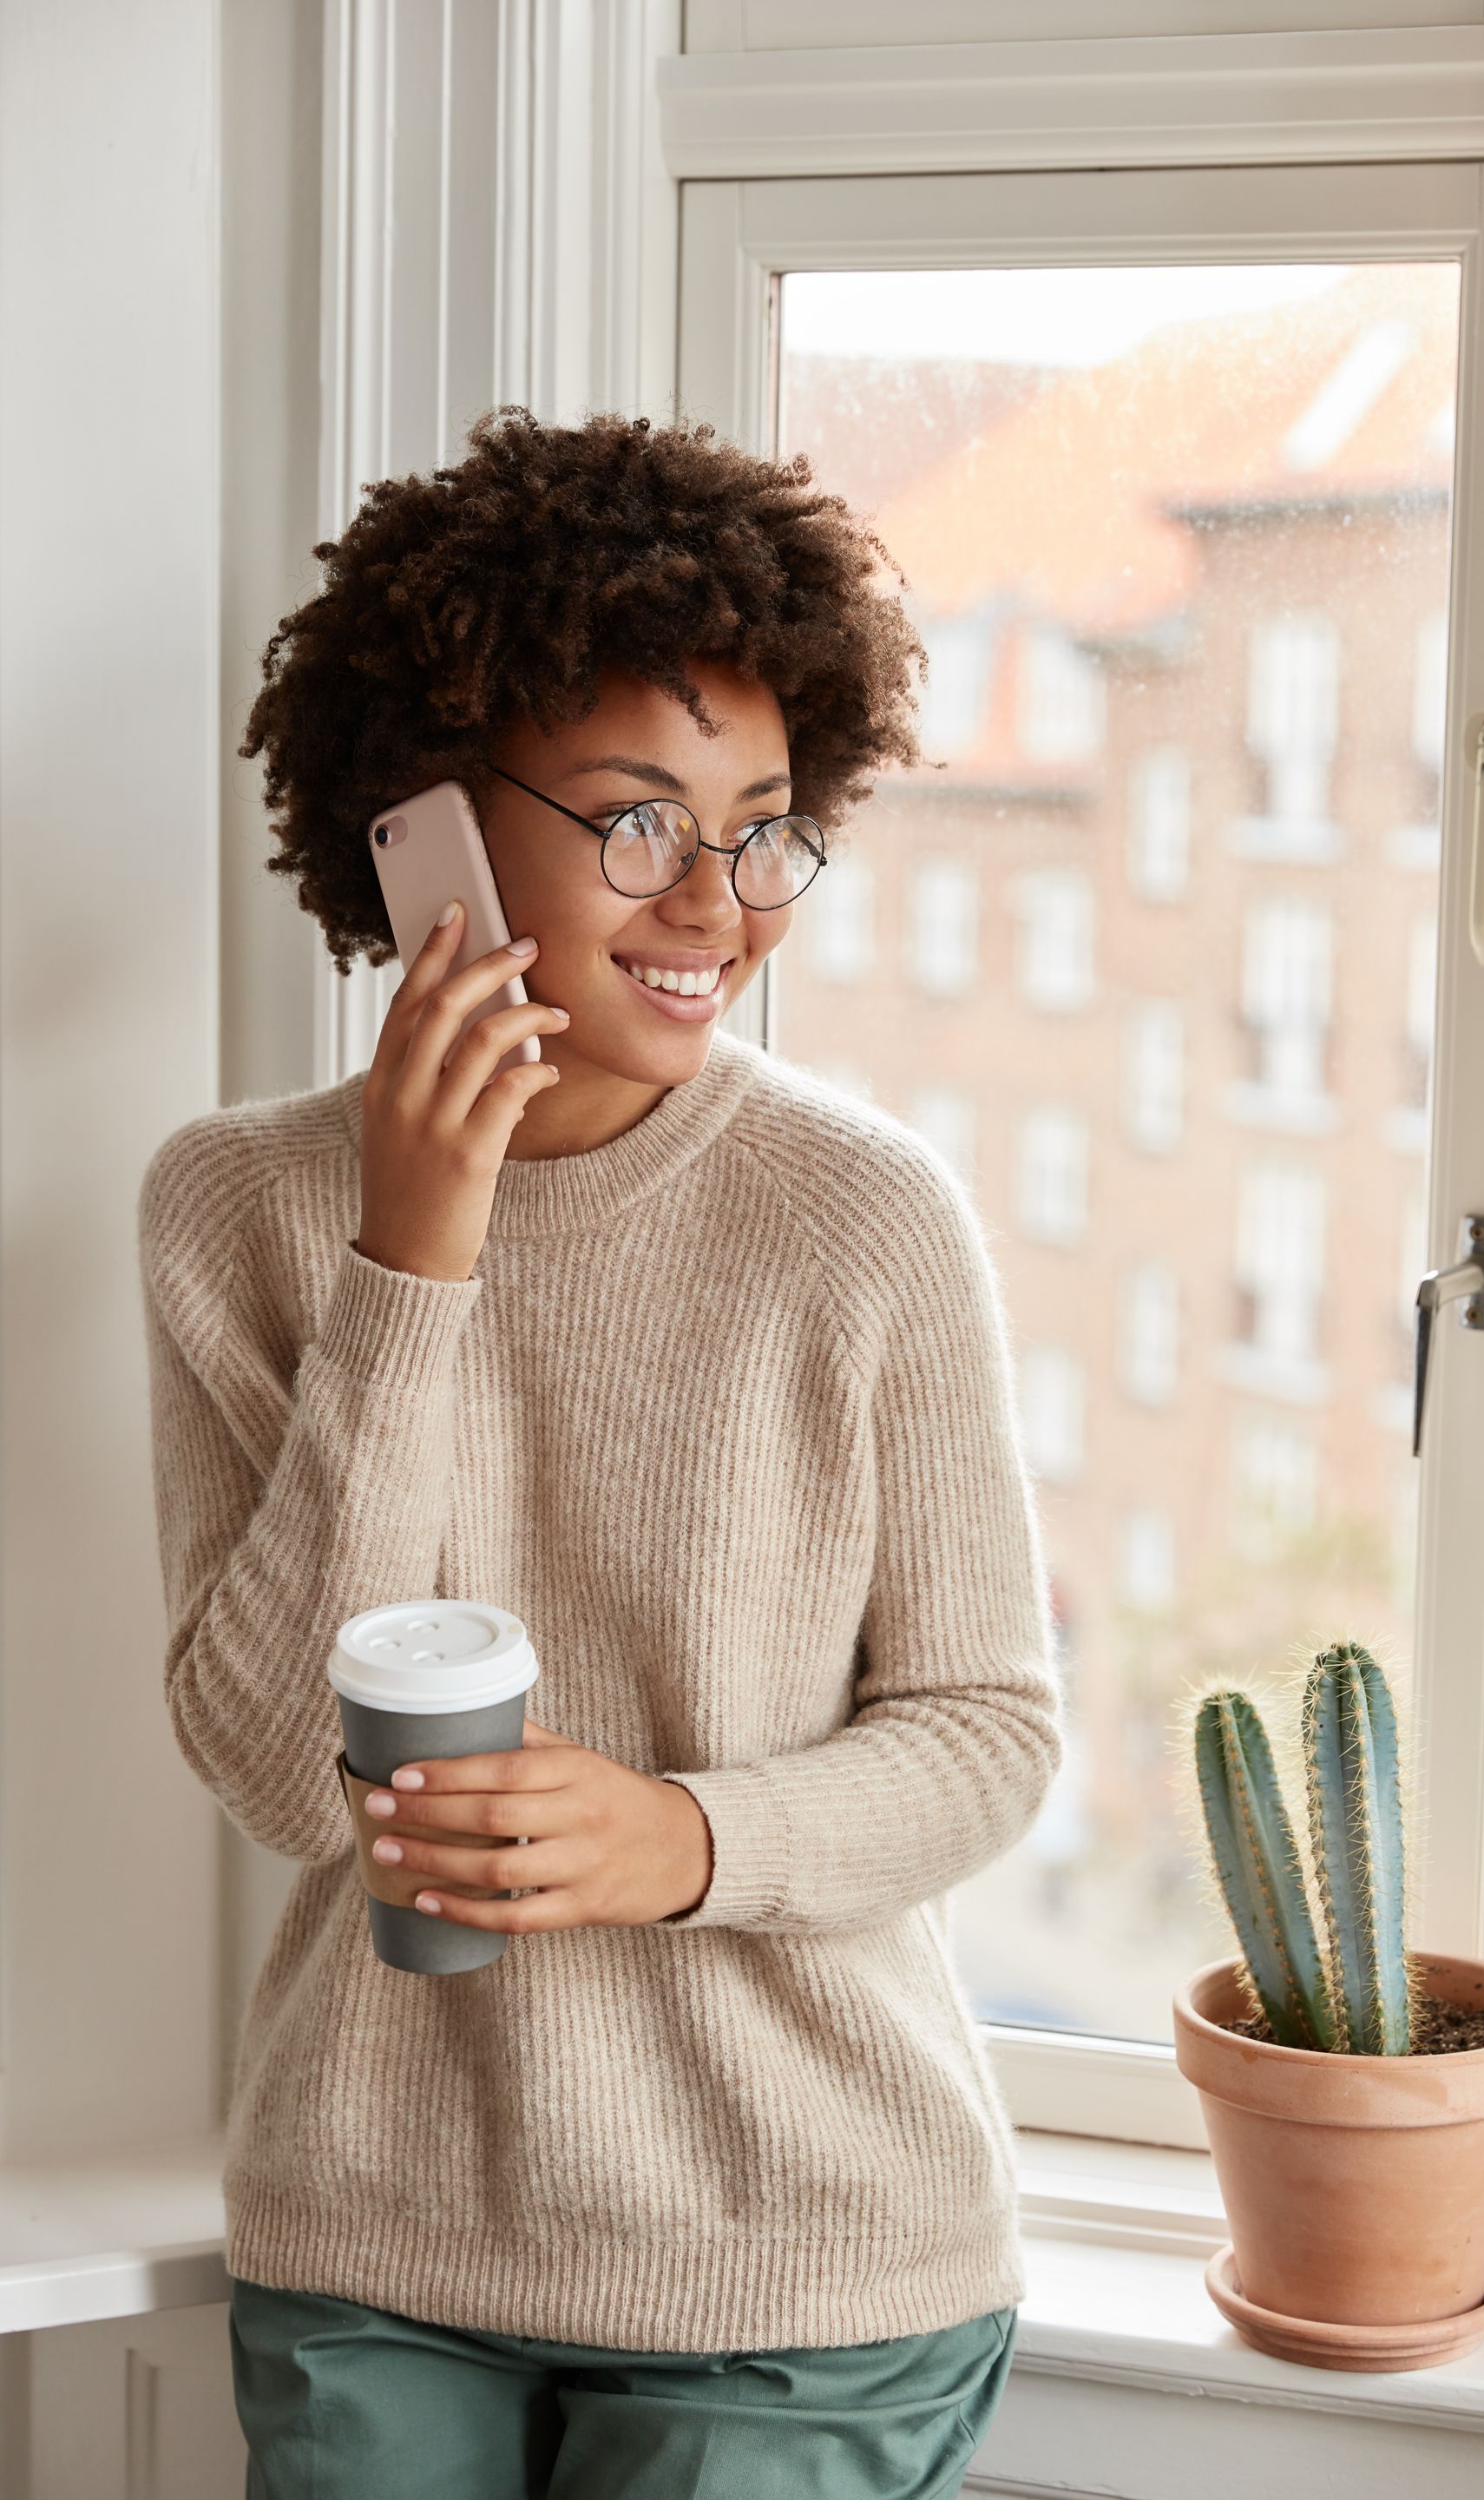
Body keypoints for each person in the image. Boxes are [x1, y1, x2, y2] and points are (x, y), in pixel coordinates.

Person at [137, 405, 1063, 2498]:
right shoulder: (234, 1213)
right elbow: (289, 1774)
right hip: (376, 2239)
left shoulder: (866, 1218)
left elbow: (988, 1732)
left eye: (766, 824)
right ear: (427, 830)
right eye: (640, 821)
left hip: (803, 2263)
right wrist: (414, 1259)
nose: (721, 905)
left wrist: (686, 1842)